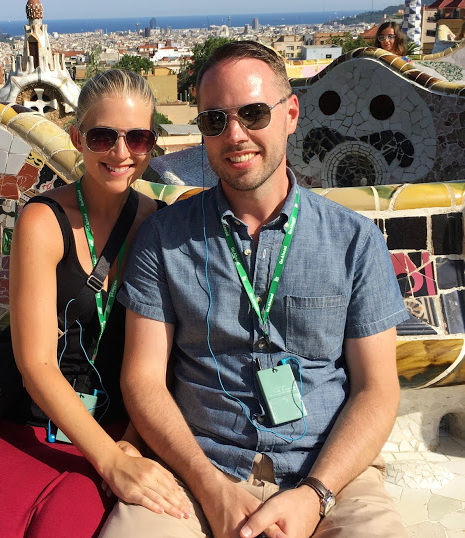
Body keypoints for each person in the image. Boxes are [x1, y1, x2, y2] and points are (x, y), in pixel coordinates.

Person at [100, 42, 408, 538]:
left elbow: (377, 389)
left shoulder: (354, 241)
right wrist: (209, 486)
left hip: (330, 477)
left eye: (253, 113)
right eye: (215, 121)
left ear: (290, 113)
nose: (235, 135)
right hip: (198, 468)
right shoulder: (163, 238)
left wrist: (316, 494)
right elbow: (143, 381)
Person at [0, 69, 190, 538]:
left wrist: (129, 446)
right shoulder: (44, 221)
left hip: (124, 430)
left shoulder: (161, 227)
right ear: (77, 138)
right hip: (37, 423)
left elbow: (166, 361)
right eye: (103, 137)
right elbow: (36, 362)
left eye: (138, 138)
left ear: (151, 144)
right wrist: (110, 462)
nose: (121, 153)